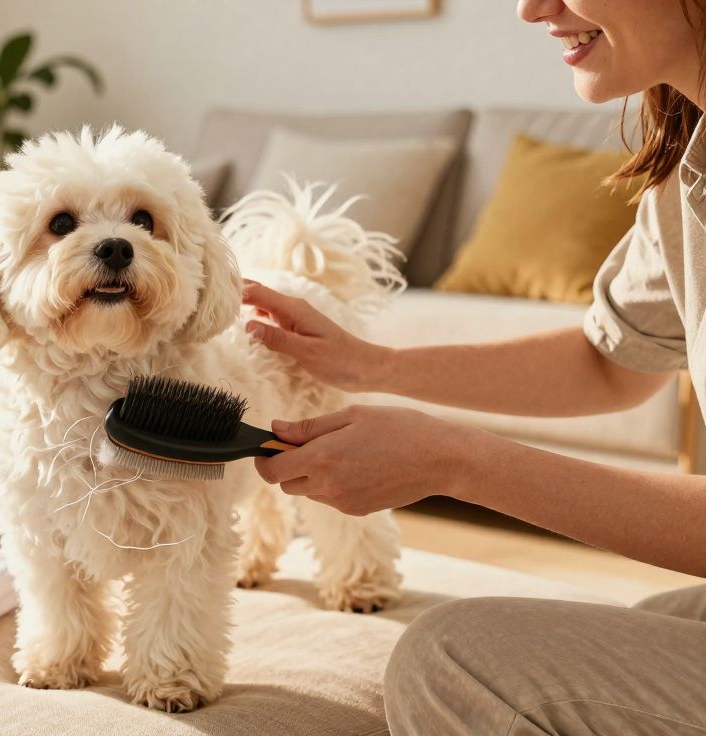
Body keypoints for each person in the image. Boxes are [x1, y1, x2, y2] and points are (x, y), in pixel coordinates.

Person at [243, 1, 706, 732]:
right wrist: (369, 364)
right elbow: (612, 362)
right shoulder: (690, 169)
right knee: (639, 628)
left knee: (453, 661)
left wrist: (457, 462)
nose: (530, 8)